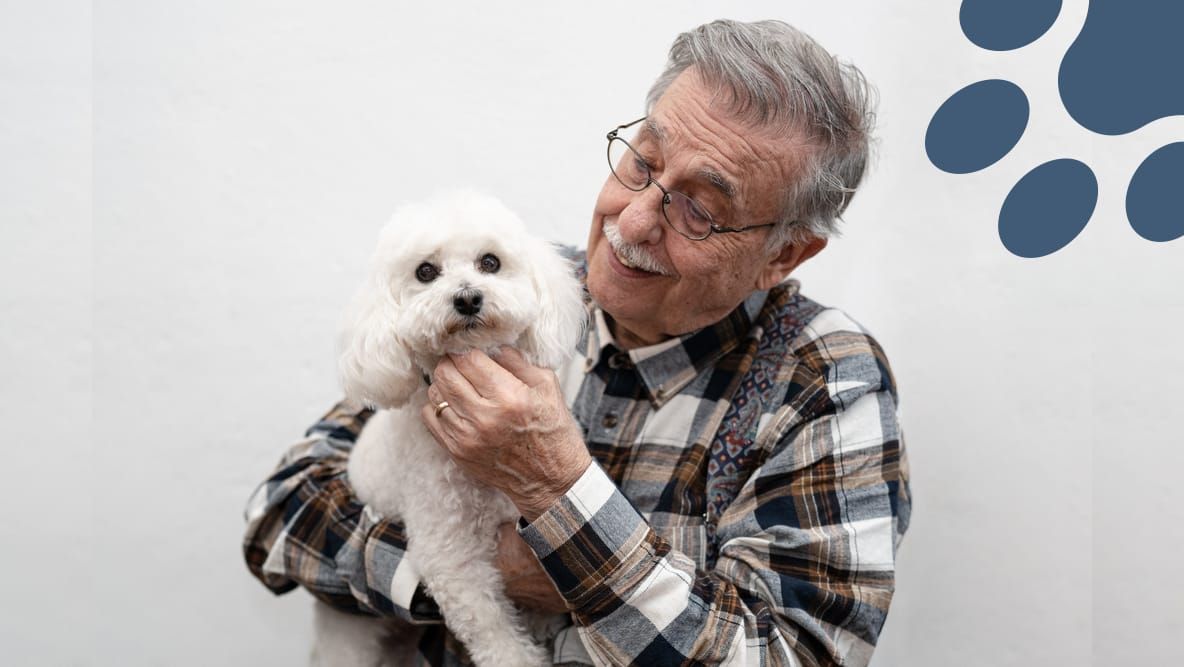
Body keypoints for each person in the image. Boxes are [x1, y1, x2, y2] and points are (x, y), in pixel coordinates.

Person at [244, 18, 911, 666]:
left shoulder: (825, 380)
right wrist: (463, 573)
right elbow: (278, 516)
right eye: (643, 162)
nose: (635, 220)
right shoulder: (511, 298)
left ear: (783, 254)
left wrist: (560, 496)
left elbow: (788, 654)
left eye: (701, 210)